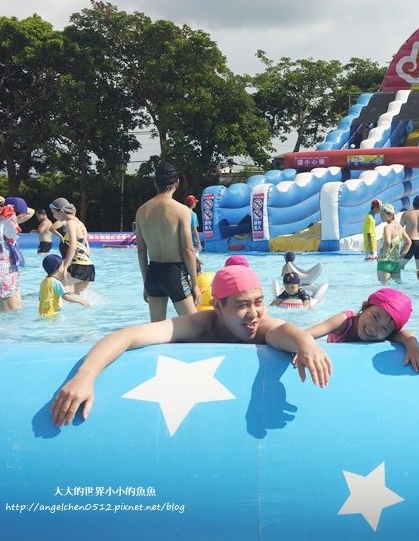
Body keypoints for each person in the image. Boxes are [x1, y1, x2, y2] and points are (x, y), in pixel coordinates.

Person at [50, 263, 333, 426]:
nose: (255, 313)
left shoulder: (262, 325)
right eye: (242, 306)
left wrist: (305, 342)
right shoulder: (199, 325)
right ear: (218, 307)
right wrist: (85, 376)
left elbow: (283, 330)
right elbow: (126, 335)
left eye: (258, 303)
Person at [134, 162, 200, 322]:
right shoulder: (182, 210)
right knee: (196, 328)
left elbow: (141, 252)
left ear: (155, 183)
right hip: (175, 274)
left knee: (157, 331)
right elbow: (188, 249)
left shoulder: (141, 211)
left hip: (153, 273)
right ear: (177, 182)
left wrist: (146, 283)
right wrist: (195, 284)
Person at [306, 287, 419, 372]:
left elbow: (406, 335)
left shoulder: (383, 335)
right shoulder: (344, 321)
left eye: (385, 328)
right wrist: (307, 346)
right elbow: (308, 334)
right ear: (364, 307)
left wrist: (413, 348)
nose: (375, 327)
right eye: (375, 316)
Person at [0, 197, 33, 311]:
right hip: (0, 276)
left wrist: (7, 203)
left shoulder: (9, 224)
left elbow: (30, 211)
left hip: (11, 272)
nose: (15, 217)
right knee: (9, 317)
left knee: (18, 310)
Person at [49, 197, 95, 294]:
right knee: (79, 298)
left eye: (54, 213)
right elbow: (86, 245)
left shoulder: (70, 223)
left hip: (79, 267)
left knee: (52, 286)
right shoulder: (80, 223)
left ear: (61, 211)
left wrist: (65, 266)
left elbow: (73, 247)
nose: (53, 216)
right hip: (88, 266)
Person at [377, 203, 411, 284]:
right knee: (397, 289)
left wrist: (383, 255)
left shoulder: (387, 228)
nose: (381, 216)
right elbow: (408, 242)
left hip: (384, 263)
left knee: (385, 290)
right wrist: (401, 255)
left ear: (390, 214)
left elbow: (387, 242)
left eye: (382, 214)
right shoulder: (399, 227)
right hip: (395, 263)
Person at [399, 195, 419, 273]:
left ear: (413, 203)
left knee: (398, 267)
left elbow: (399, 229)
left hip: (410, 243)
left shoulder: (406, 214)